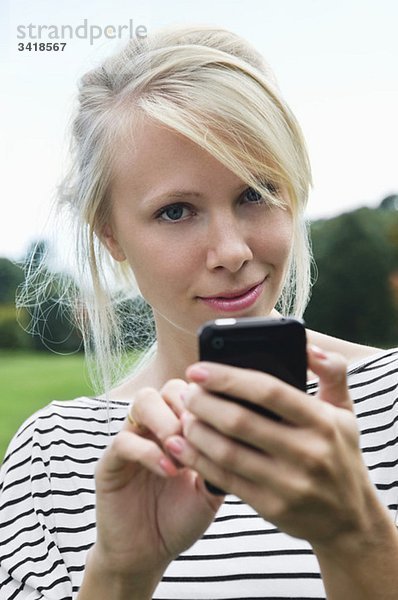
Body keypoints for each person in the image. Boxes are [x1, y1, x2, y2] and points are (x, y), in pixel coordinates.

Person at [1, 24, 398, 600]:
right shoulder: (53, 459)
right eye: (176, 211)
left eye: (255, 194)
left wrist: (356, 538)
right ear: (111, 236)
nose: (233, 251)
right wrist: (120, 573)